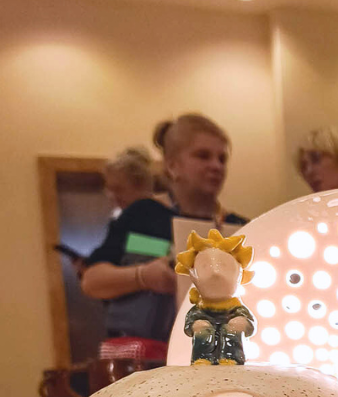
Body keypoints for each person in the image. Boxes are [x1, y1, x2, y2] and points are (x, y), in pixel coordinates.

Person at [81, 114, 247, 342]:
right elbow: (92, 282)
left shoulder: (239, 227)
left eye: (222, 159)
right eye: (203, 156)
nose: (216, 165)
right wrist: (142, 276)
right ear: (172, 165)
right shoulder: (143, 215)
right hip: (149, 357)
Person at [103, 147, 155, 212]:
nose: (111, 196)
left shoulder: (158, 215)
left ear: (142, 188)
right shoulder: (118, 214)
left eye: (118, 189)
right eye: (109, 189)